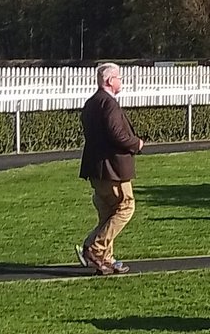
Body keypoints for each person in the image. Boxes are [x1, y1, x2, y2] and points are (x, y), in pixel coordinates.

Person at [75, 62, 144, 276]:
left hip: (96, 169)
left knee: (108, 213)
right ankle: (94, 248)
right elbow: (117, 135)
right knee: (125, 207)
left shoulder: (91, 103)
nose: (121, 81)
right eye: (119, 78)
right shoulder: (109, 104)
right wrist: (136, 144)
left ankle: (105, 259)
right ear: (109, 80)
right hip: (113, 169)